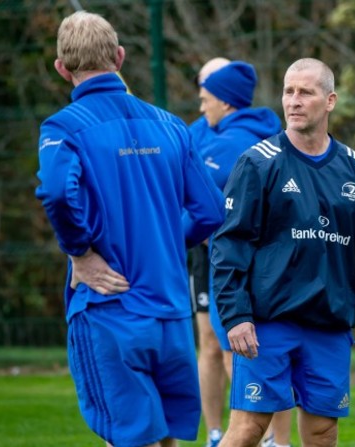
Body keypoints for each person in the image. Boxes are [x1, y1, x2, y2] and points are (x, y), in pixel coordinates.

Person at [34, 11, 225, 447]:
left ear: (62, 69)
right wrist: (164, 241)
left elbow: (59, 195)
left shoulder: (63, 127)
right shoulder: (171, 125)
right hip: (172, 314)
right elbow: (211, 210)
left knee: (130, 438)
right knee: (163, 439)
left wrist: (79, 252)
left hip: (111, 309)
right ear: (119, 57)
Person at [211, 57, 355, 447]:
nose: (294, 100)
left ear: (330, 100)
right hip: (268, 325)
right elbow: (229, 246)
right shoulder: (257, 163)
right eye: (288, 91)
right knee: (248, 430)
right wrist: (236, 315)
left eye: (305, 92)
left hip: (329, 327)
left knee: (323, 433)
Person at [192, 59, 294, 447]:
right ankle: (273, 441)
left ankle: (258, 438)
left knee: (238, 349)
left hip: (233, 264)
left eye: (206, 98)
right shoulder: (254, 132)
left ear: (226, 102)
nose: (202, 107)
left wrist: (190, 230)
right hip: (268, 265)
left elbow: (199, 204)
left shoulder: (230, 144)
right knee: (266, 353)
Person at [186, 56, 231, 447]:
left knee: (240, 341)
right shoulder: (192, 134)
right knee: (210, 342)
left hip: (240, 253)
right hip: (203, 253)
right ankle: (215, 434)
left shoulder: (247, 133)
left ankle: (259, 433)